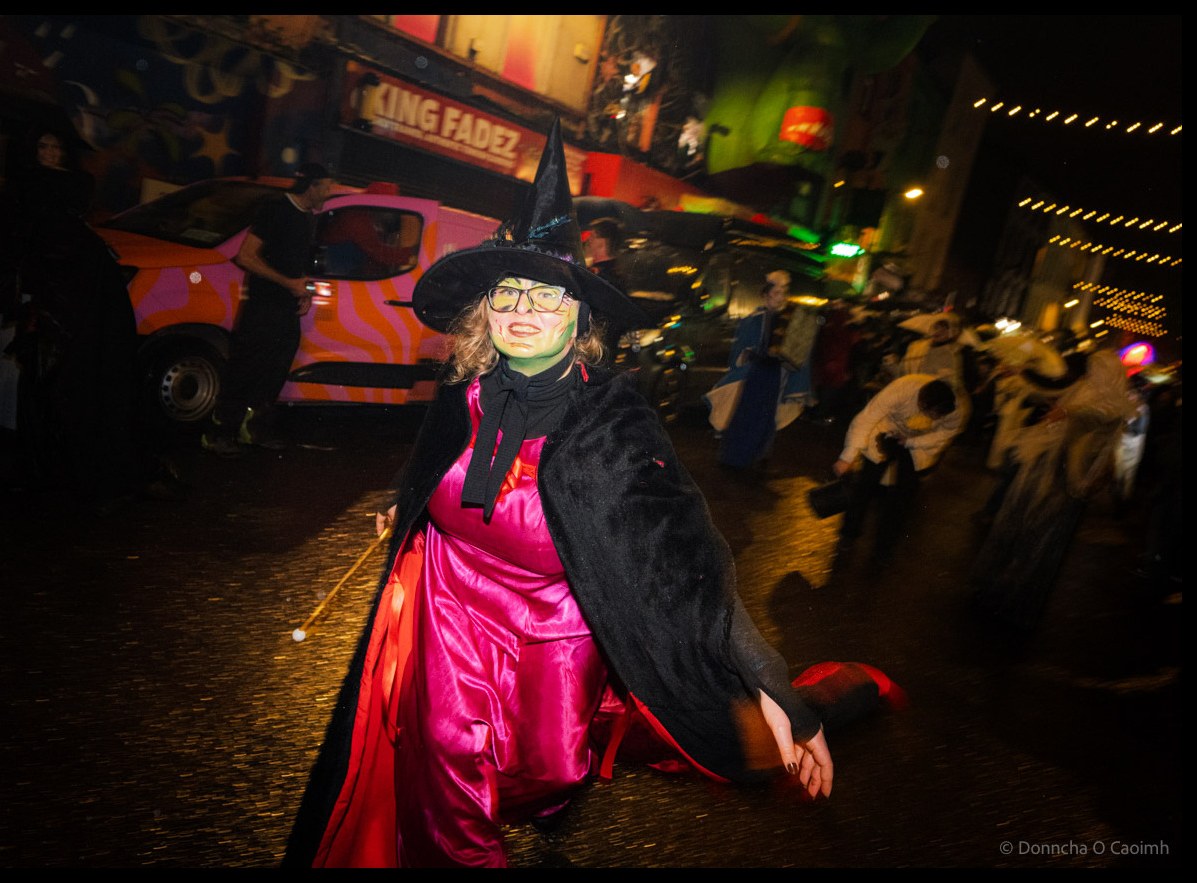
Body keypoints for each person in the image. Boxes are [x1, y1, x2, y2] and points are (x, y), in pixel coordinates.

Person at [284, 123, 848, 869]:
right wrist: (406, 500)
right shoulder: (463, 393)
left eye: (547, 295)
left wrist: (773, 686)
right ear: (486, 309)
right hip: (451, 607)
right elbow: (427, 462)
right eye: (509, 291)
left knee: (553, 771)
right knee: (450, 767)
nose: (523, 306)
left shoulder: (613, 424)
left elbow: (689, 569)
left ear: (581, 319)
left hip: (564, 619)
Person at [970, 350, 1131, 629]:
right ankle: (993, 589)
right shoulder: (1084, 387)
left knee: (1041, 538)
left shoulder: (1115, 404)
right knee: (1018, 524)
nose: (1093, 375)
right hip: (1043, 466)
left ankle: (1017, 602)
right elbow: (1051, 393)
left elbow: (1097, 416)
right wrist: (1021, 376)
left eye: (1098, 370)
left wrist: (1067, 412)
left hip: (1068, 478)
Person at [202, 162, 333, 455]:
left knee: (273, 373)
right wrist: (288, 284)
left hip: (286, 312)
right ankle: (218, 433)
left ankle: (253, 431)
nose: (328, 192)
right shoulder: (276, 209)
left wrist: (305, 292)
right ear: (311, 186)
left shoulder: (307, 219)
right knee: (245, 370)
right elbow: (246, 257)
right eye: (325, 187)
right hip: (262, 310)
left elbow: (297, 269)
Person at [833, 375, 964, 564]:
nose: (934, 418)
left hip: (917, 444)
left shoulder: (954, 409)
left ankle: (884, 548)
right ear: (922, 402)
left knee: (902, 496)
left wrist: (912, 442)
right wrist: (847, 457)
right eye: (932, 413)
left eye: (938, 416)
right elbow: (867, 419)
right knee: (866, 484)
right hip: (885, 430)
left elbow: (945, 433)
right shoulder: (902, 389)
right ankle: (849, 533)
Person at [714, 269, 794, 470]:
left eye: (782, 293)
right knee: (748, 414)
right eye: (776, 293)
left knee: (767, 416)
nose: (780, 298)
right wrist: (750, 354)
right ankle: (736, 458)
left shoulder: (787, 320)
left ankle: (759, 456)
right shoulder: (755, 318)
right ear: (766, 294)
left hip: (774, 374)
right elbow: (742, 349)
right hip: (757, 373)